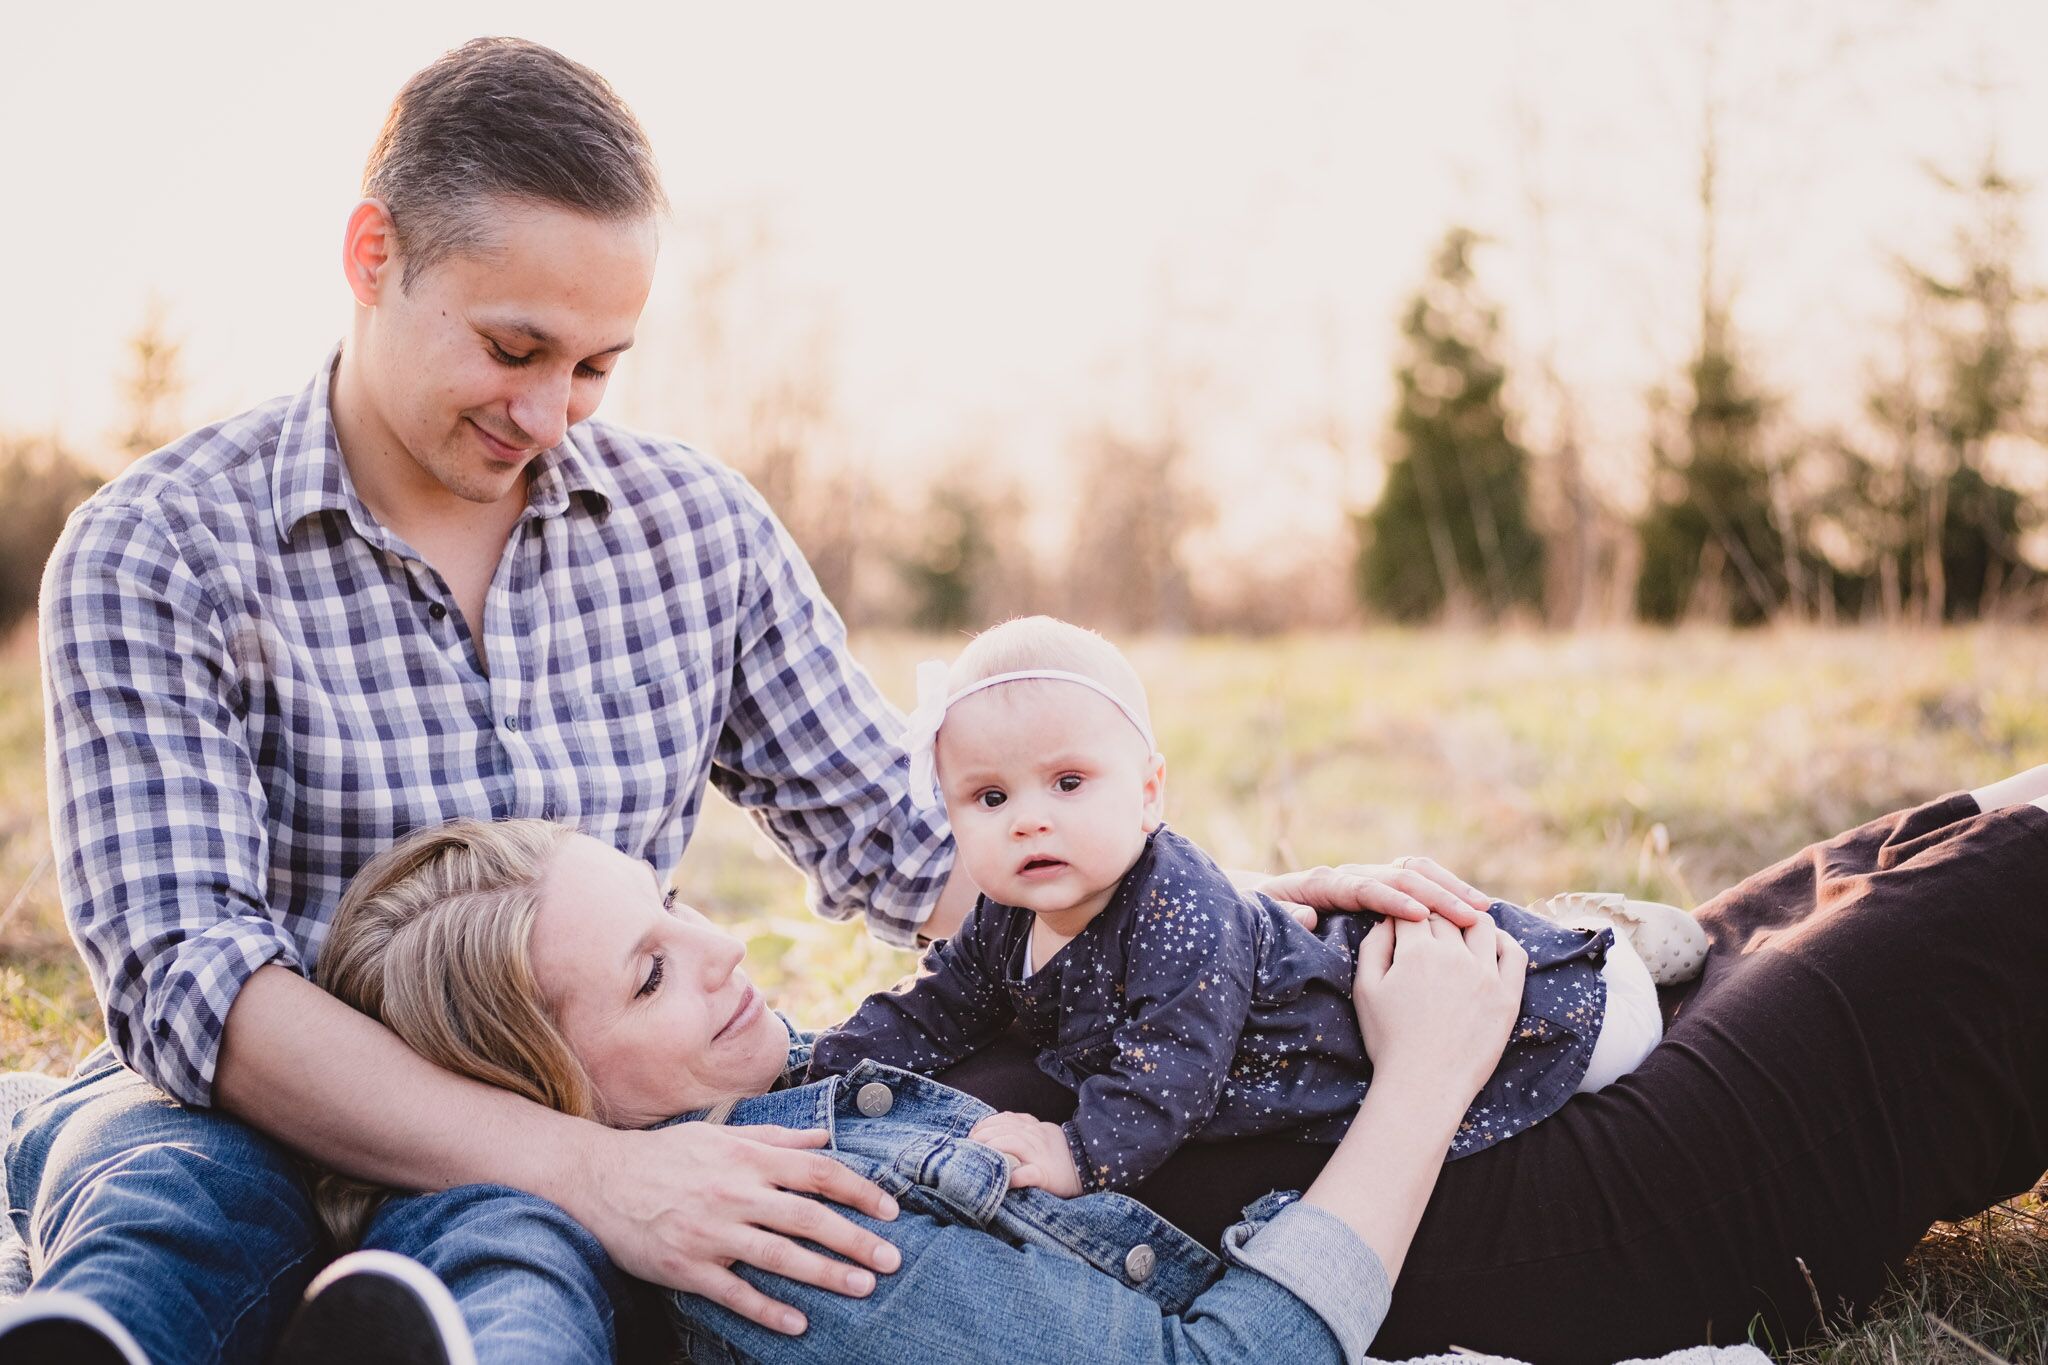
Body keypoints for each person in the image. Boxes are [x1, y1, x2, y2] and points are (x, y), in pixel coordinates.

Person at [5, 36, 1467, 1365]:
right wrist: (594, 1171)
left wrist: (1184, 912)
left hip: (590, 1098)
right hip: (277, 1112)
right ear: (372, 254)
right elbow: (191, 978)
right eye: (512, 349)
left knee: (515, 1256)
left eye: (596, 366)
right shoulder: (162, 549)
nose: (547, 414)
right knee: (180, 1199)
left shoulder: (688, 530)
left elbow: (903, 834)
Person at [306, 816, 1532, 1365]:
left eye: (670, 904)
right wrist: (1425, 1076)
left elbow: (994, 943)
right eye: (649, 976)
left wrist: (1219, 917)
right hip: (1501, 1186)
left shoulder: (798, 1085)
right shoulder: (790, 1231)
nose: (723, 948)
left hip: (1452, 1063)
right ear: (544, 1097)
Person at [936, 767, 2048, 1362]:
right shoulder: (827, 1279)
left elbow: (989, 886)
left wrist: (1235, 917)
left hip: (1400, 1077)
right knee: (1992, 900)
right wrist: (1425, 1071)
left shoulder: (834, 1087)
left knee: (1872, 865)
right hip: (1495, 1211)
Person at [809, 616, 1698, 1196]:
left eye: (1069, 781)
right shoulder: (1006, 914)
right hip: (1340, 1039)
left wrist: (1076, 1153)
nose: (1029, 818)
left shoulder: (1179, 909)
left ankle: (1607, 947)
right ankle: (1586, 933)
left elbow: (1173, 1068)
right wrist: (821, 1062)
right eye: (990, 797)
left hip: (1529, 1014)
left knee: (1607, 1058)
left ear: (1149, 792)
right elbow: (939, 1004)